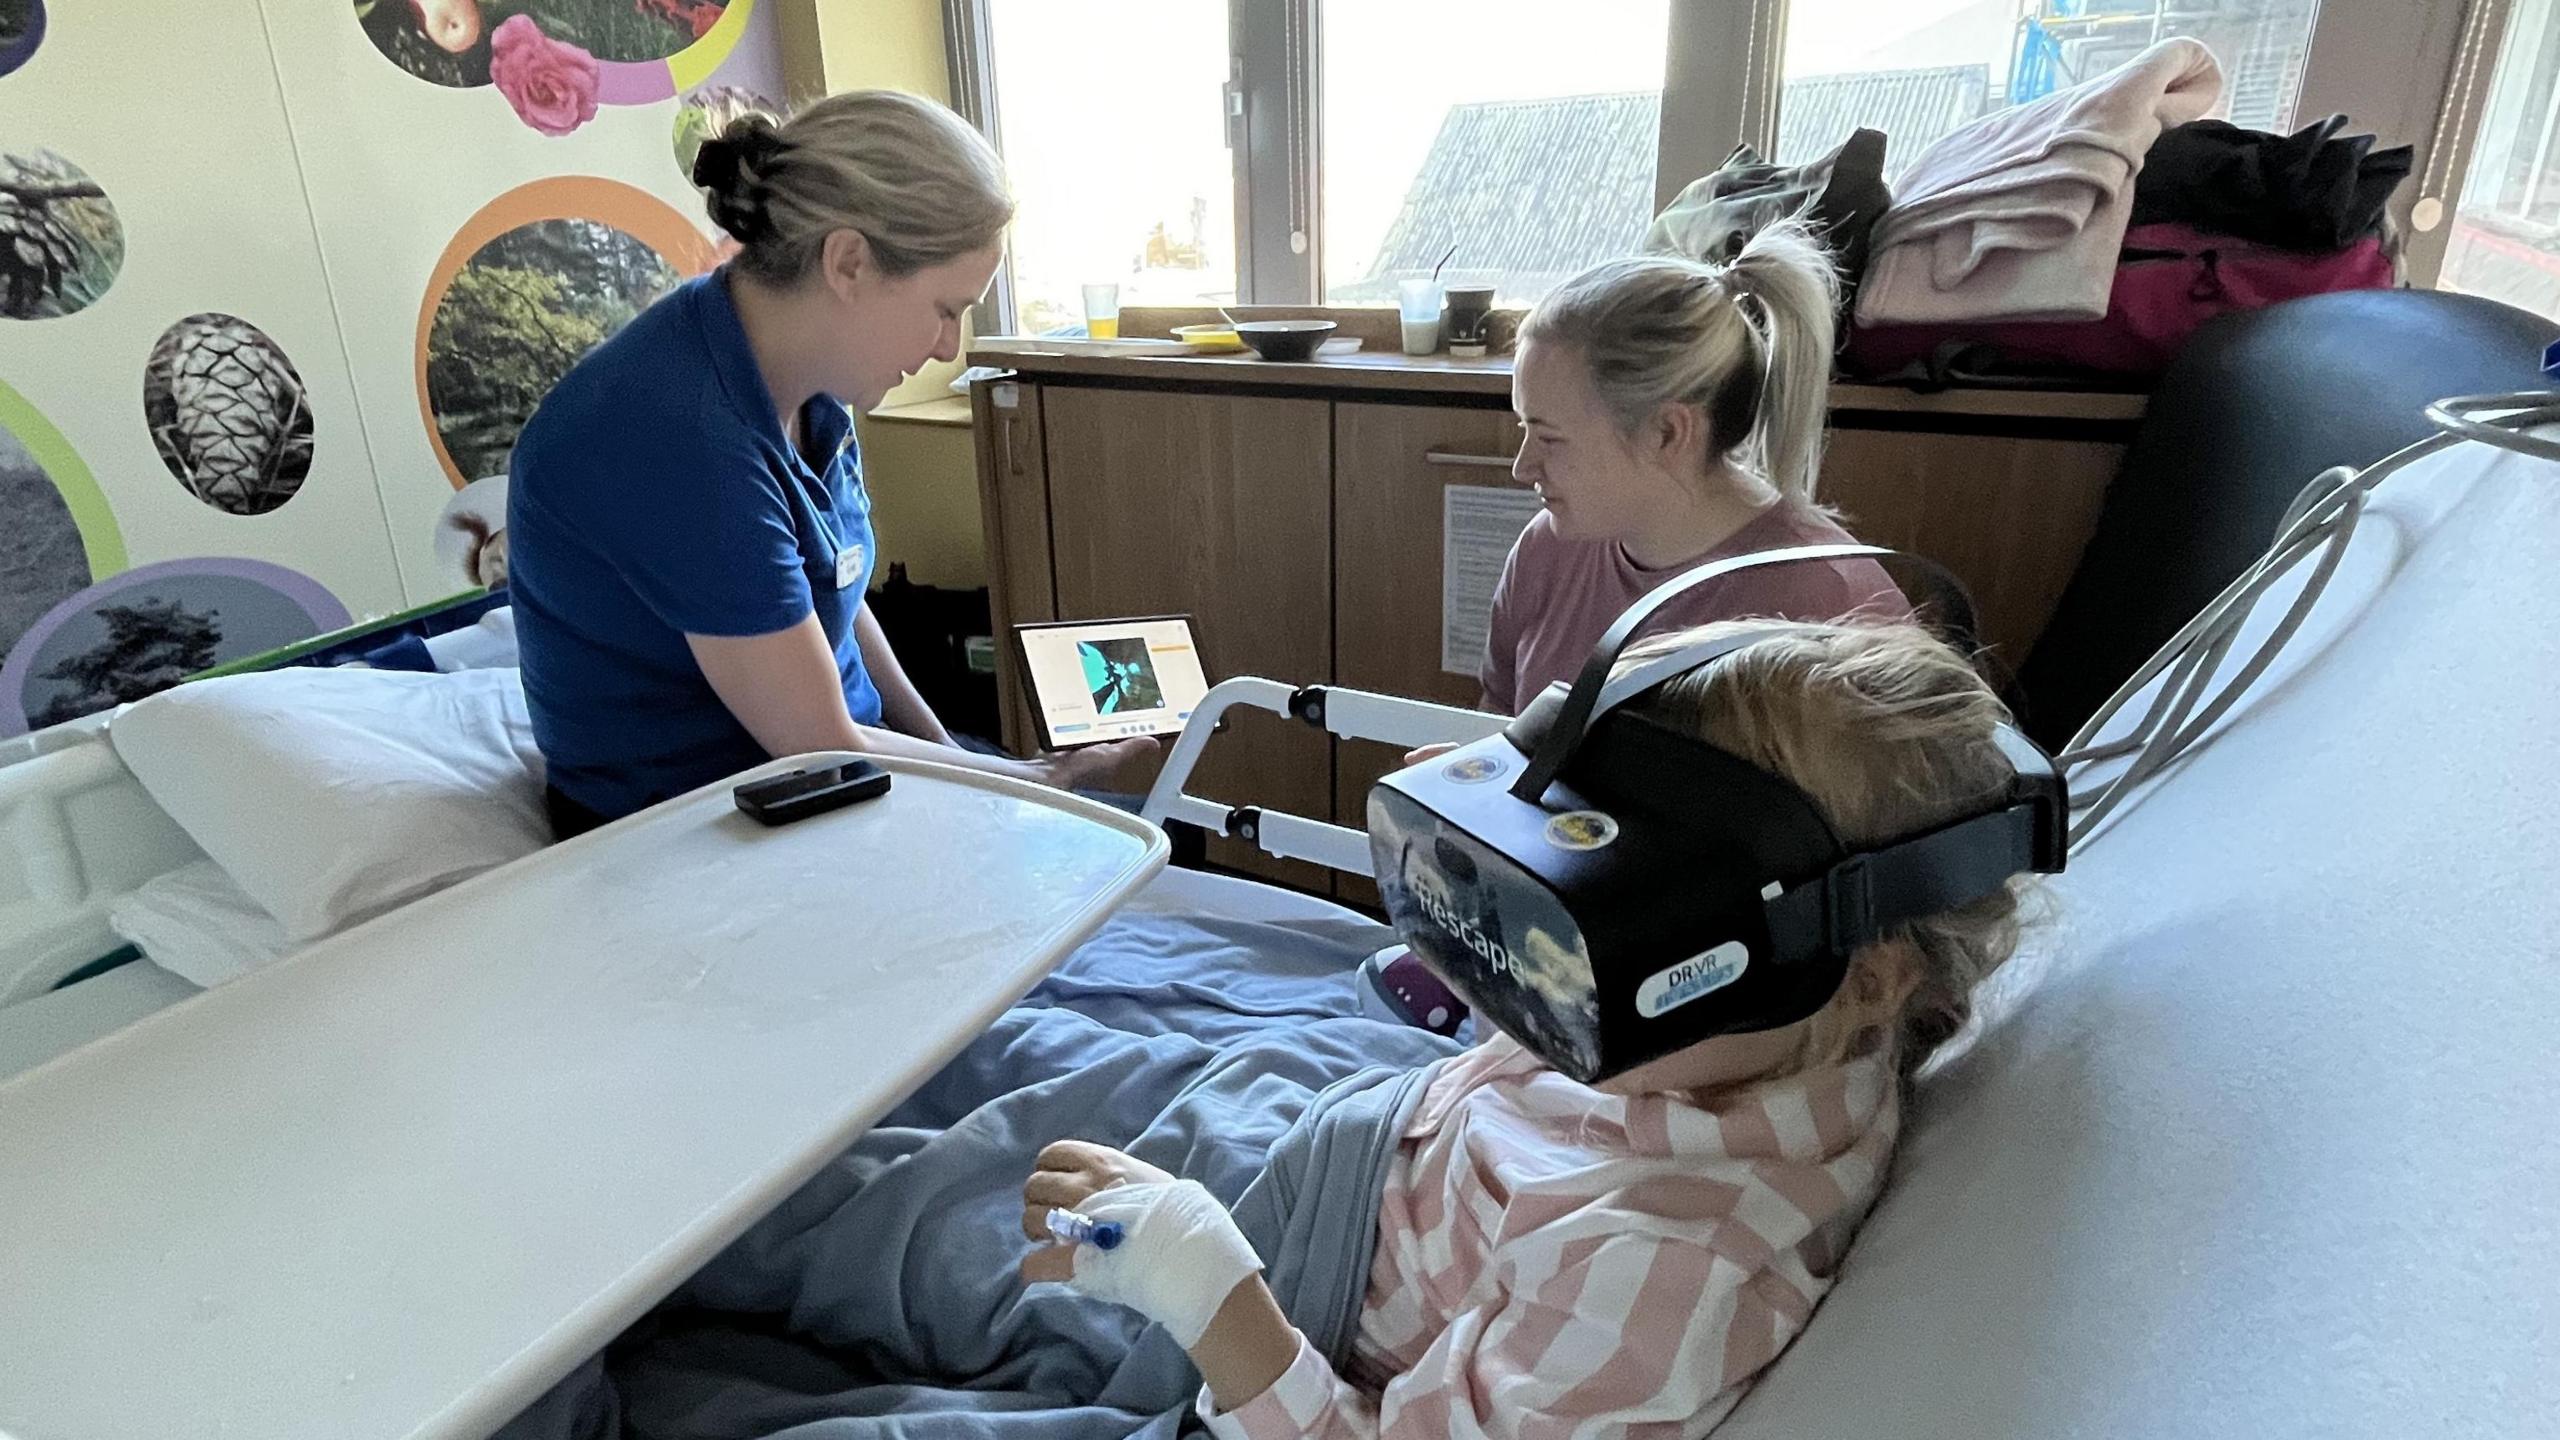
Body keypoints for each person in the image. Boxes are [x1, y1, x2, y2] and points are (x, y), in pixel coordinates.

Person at [493, 620, 2034, 1440]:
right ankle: (649, 1123)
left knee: (903, 1232)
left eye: (1627, 928)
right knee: (973, 1061)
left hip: (1278, 1272)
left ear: (1869, 970)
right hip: (1356, 1110)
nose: (1575, 974)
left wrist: (1208, 1294)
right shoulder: (1731, 1040)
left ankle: (537, 1250)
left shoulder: (1671, 1272)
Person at [506, 91, 1149, 838]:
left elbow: (830, 594)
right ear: (848, 263)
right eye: (947, 308)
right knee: (1097, 848)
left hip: (829, 776)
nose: (950, 348)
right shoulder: (676, 434)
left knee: (1111, 838)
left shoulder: (808, 380)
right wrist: (1024, 782)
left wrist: (957, 755)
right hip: (687, 828)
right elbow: (817, 745)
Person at [1482, 223, 1910, 717]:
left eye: (1550, 438)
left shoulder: (1835, 606)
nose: (1522, 468)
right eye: (1524, 428)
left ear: (1668, 432)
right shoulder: (1547, 549)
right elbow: (1500, 718)